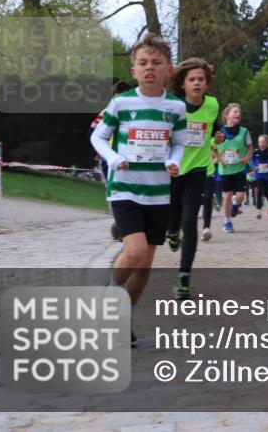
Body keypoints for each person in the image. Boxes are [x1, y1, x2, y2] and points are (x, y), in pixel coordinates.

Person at [90, 33, 187, 346]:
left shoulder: (176, 107)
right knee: (135, 250)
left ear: (168, 69)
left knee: (145, 265)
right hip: (125, 188)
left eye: (156, 63)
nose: (149, 68)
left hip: (158, 191)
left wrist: (174, 162)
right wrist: (115, 158)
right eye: (142, 63)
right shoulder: (121, 102)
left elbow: (179, 143)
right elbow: (98, 138)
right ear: (133, 71)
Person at [165, 57, 220, 300]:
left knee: (190, 222)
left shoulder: (213, 105)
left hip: (198, 171)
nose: (197, 83)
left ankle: (184, 277)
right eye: (192, 79)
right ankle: (171, 232)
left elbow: (213, 127)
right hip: (173, 170)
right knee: (173, 220)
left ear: (207, 84)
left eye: (201, 79)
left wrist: (216, 137)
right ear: (183, 84)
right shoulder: (172, 105)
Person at [91, 80, 133, 242]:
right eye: (117, 95)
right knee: (117, 192)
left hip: (133, 158)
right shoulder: (107, 111)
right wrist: (106, 153)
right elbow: (92, 133)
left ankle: (124, 225)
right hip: (110, 159)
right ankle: (120, 225)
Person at [214, 103, 253, 233]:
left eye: (239, 112)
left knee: (240, 196)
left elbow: (250, 147)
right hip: (225, 170)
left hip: (240, 169)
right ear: (226, 115)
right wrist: (220, 159)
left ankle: (236, 204)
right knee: (227, 196)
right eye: (235, 112)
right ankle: (227, 222)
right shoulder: (219, 133)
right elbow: (213, 149)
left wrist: (247, 158)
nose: (238, 114)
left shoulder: (244, 132)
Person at [250, 134, 268, 219]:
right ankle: (259, 211)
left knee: (265, 192)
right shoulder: (255, 152)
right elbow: (251, 160)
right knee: (259, 191)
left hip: (267, 175)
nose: (261, 143)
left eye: (263, 142)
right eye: (259, 142)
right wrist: (254, 167)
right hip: (259, 175)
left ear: (267, 143)